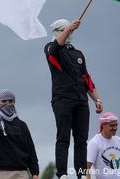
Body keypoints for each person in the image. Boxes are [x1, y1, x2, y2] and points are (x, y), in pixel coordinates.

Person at [44, 19, 104, 179]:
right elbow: (55, 48)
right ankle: (62, 174)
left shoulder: (78, 54)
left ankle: (81, 174)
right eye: (67, 30)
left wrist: (97, 99)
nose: (70, 33)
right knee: (63, 138)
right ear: (58, 31)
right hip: (63, 99)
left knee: (81, 139)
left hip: (81, 101)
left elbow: (87, 79)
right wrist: (69, 27)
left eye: (71, 31)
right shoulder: (51, 48)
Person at [0, 89, 39, 179]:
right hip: (0, 172)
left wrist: (35, 172)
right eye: (4, 101)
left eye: (10, 101)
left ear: (14, 102)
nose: (7, 103)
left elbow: (31, 149)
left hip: (21, 173)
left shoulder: (22, 125)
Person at [86, 112, 120, 179]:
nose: (115, 128)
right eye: (112, 125)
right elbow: (87, 168)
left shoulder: (119, 140)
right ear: (103, 125)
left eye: (116, 125)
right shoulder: (94, 142)